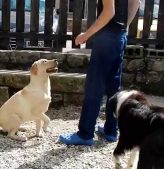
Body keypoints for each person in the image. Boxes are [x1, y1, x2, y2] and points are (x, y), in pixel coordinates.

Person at [59, 0, 140, 145]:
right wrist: (124, 27)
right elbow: (136, 2)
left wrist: (86, 34)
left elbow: (109, 12)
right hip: (120, 36)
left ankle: (85, 134)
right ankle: (111, 131)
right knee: (113, 86)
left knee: (94, 86)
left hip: (106, 38)